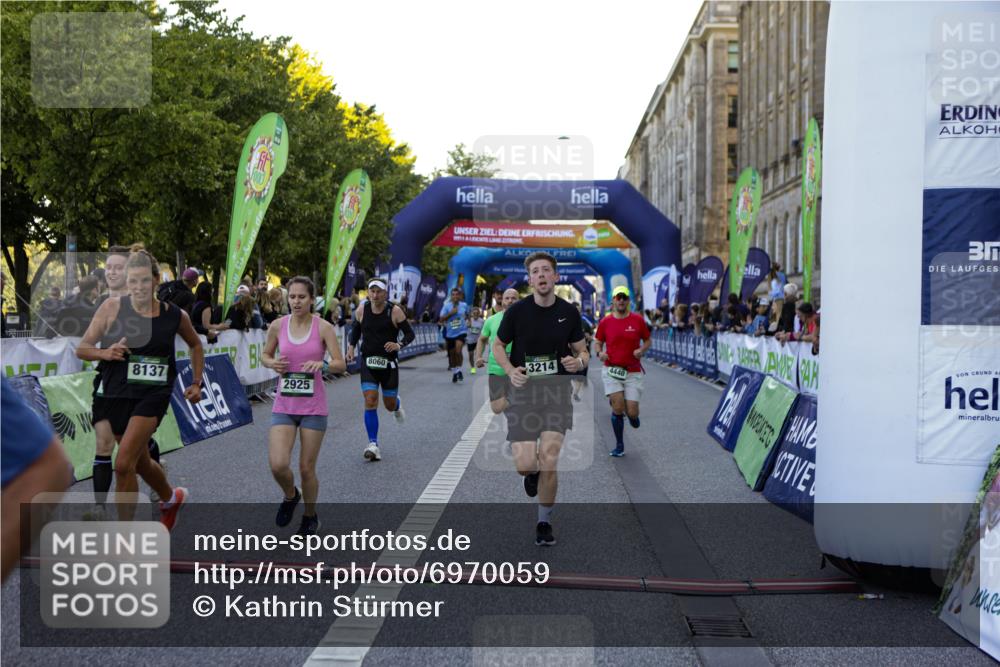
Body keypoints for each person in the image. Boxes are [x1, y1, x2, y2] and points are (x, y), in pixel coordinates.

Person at [76, 248, 203, 529]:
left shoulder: (175, 315)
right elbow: (82, 349)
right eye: (133, 281)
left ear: (157, 280)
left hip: (153, 393)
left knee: (123, 464)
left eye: (145, 280)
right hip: (115, 392)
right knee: (141, 461)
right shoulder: (111, 307)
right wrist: (106, 353)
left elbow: (195, 344)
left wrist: (196, 382)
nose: (139, 287)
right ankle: (171, 498)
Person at [493, 252, 589, 547]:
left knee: (549, 459)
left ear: (556, 276)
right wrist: (509, 370)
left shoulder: (569, 312)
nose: (542, 275)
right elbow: (498, 345)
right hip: (523, 394)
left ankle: (544, 522)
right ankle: (530, 473)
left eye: (547, 270)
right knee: (525, 464)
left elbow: (583, 351)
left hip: (556, 394)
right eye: (536, 271)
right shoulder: (517, 312)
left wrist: (580, 363)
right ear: (530, 279)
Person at [262, 277, 345, 535]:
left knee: (306, 468)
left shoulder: (323, 328)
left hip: (313, 408)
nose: (296, 302)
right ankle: (290, 495)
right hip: (284, 405)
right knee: (277, 464)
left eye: (301, 297)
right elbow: (265, 354)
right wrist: (271, 363)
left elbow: (341, 363)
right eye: (292, 297)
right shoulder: (277, 326)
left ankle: (310, 516)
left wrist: (324, 365)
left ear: (312, 299)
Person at [88, 245, 165, 513]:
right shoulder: (106, 305)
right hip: (110, 384)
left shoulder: (147, 304)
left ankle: (159, 483)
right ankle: (99, 507)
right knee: (105, 444)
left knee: (130, 455)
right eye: (108, 267)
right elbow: (87, 345)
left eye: (118, 267)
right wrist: (104, 352)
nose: (111, 272)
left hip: (143, 389)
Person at [1, 378, 72, 581]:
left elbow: (49, 467)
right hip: (112, 387)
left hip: (147, 390)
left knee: (123, 462)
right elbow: (83, 349)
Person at [345, 278, 415, 462]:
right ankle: (373, 444)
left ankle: (397, 405)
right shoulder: (362, 309)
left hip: (388, 364)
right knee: (370, 400)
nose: (375, 295)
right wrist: (351, 347)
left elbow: (410, 334)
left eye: (379, 292)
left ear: (386, 293)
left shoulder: (394, 311)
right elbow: (356, 329)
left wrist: (399, 345)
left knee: (389, 405)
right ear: (368, 292)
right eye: (372, 291)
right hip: (368, 362)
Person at [594, 286, 651, 457]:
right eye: (618, 297)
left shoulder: (638, 320)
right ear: (613, 301)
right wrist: (600, 352)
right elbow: (598, 341)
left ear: (628, 301)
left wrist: (642, 350)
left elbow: (648, 340)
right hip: (612, 369)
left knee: (632, 411)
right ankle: (619, 445)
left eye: (624, 297)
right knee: (618, 407)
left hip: (633, 371)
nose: (621, 300)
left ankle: (632, 416)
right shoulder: (606, 322)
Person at [475, 288, 519, 414]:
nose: (510, 300)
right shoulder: (491, 320)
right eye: (507, 298)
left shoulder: (527, 320)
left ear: (518, 300)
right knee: (497, 408)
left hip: (518, 368)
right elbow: (482, 339)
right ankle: (517, 401)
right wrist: (478, 356)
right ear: (502, 301)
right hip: (496, 369)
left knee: (515, 416)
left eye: (513, 298)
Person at [439, 288, 470, 383]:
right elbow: (441, 319)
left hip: (461, 332)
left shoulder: (464, 305)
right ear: (451, 296)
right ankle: (455, 371)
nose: (455, 296)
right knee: (452, 355)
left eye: (457, 294)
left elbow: (468, 315)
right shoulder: (446, 306)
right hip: (450, 333)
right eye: (453, 294)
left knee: (458, 350)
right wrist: (450, 313)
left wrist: (469, 322)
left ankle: (459, 370)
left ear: (460, 296)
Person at [466, 307, 484, 375]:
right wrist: (468, 325)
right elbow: (466, 327)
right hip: (470, 340)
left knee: (477, 354)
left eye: (477, 313)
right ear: (472, 314)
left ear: (479, 314)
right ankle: (472, 368)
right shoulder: (469, 320)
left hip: (478, 340)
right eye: (474, 313)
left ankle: (478, 363)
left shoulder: (482, 321)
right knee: (471, 355)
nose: (475, 314)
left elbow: (484, 331)